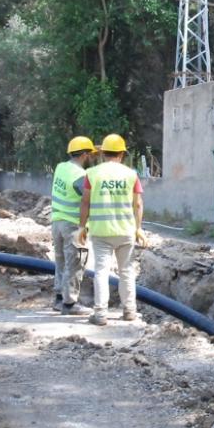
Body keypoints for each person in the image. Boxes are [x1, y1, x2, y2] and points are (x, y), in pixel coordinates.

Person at [76, 133, 147, 326]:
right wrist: (139, 228)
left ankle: (100, 314)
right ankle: (130, 311)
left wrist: (82, 227)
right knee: (126, 272)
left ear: (103, 153)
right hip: (125, 231)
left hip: (101, 232)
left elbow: (85, 201)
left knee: (101, 271)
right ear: (122, 154)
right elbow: (138, 204)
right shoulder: (131, 174)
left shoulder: (92, 173)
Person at [50, 135, 97, 315]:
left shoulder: (61, 167)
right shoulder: (81, 175)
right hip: (72, 225)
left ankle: (59, 299)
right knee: (77, 261)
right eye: (90, 154)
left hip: (57, 222)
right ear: (84, 154)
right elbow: (87, 198)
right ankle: (70, 304)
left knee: (61, 260)